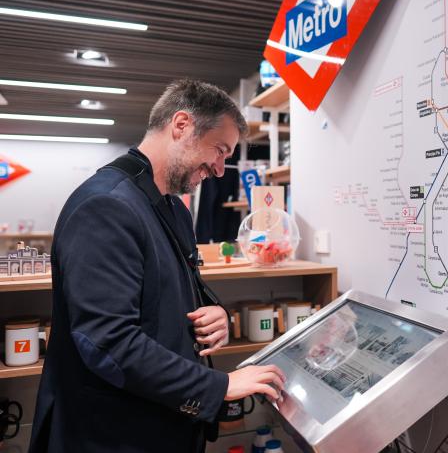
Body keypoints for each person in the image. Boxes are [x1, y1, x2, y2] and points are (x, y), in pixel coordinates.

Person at [29, 79, 285, 453]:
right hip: (111, 435)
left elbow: (169, 293)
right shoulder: (106, 206)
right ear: (181, 125)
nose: (219, 170)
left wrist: (212, 313)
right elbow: (108, 342)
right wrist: (221, 387)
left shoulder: (170, 208)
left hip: (164, 424)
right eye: (219, 150)